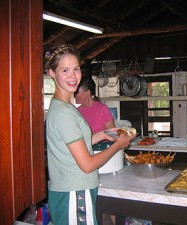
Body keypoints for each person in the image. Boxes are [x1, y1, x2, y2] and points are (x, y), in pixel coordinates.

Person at [44, 44, 135, 225]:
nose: (73, 76)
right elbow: (87, 164)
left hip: (72, 190)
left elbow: (72, 145)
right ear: (52, 73)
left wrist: (102, 134)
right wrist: (118, 145)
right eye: (65, 70)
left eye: (76, 69)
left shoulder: (64, 106)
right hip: (75, 192)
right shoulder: (65, 113)